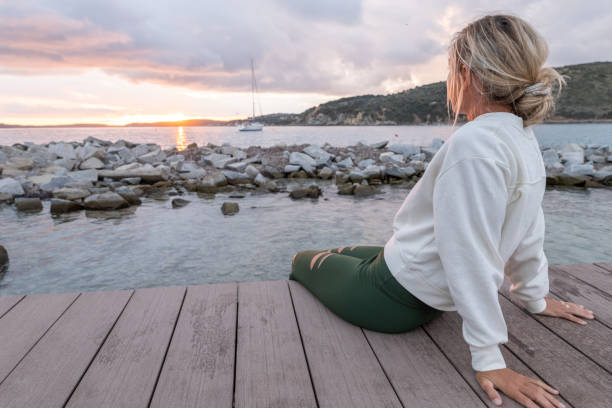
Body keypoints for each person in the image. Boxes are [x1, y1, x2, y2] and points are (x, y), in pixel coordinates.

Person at [289, 14, 596, 408]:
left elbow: (468, 254)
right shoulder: (521, 136)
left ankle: (311, 263)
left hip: (393, 299)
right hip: (408, 274)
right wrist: (534, 297)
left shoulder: (475, 145)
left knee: (303, 260)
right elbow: (528, 226)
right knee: (349, 252)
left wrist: (489, 359)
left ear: (465, 74)